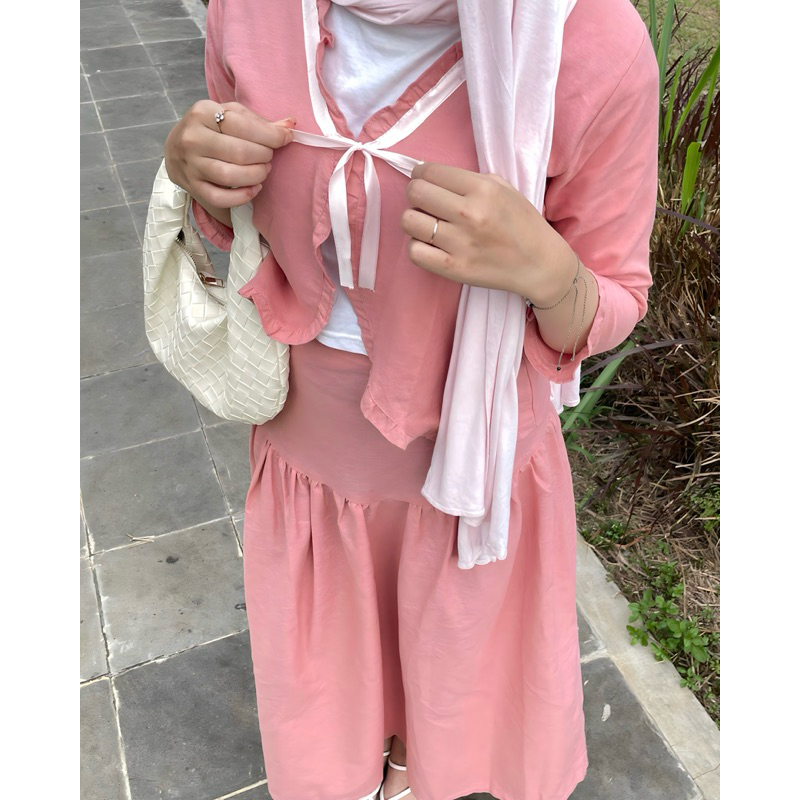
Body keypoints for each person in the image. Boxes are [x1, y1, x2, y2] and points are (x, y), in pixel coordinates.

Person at [163, 1, 658, 798]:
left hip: (471, 474)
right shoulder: (250, 11)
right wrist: (197, 171)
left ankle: (412, 758)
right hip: (310, 464)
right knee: (334, 711)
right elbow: (236, 223)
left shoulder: (588, 38)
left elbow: (614, 296)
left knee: (443, 705)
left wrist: (543, 268)